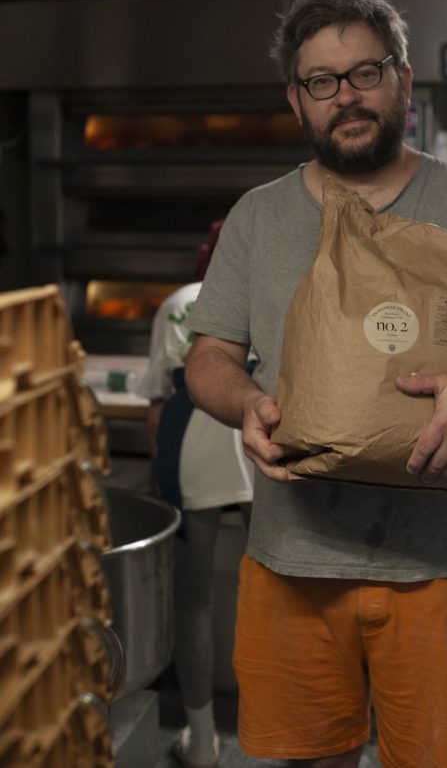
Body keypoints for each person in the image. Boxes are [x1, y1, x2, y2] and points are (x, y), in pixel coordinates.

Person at [183, 0, 447, 768]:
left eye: (367, 72)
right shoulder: (259, 217)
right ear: (296, 99)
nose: (347, 95)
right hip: (290, 565)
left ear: (403, 79)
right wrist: (244, 405)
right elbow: (210, 355)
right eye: (323, 81)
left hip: (439, 567)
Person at [137, 222, 254, 768]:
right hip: (269, 449)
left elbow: (158, 400)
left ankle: (203, 741)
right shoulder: (280, 293)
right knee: (281, 595)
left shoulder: (182, 303)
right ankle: (284, 733)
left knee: (194, 600)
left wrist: (161, 473)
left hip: (191, 450)